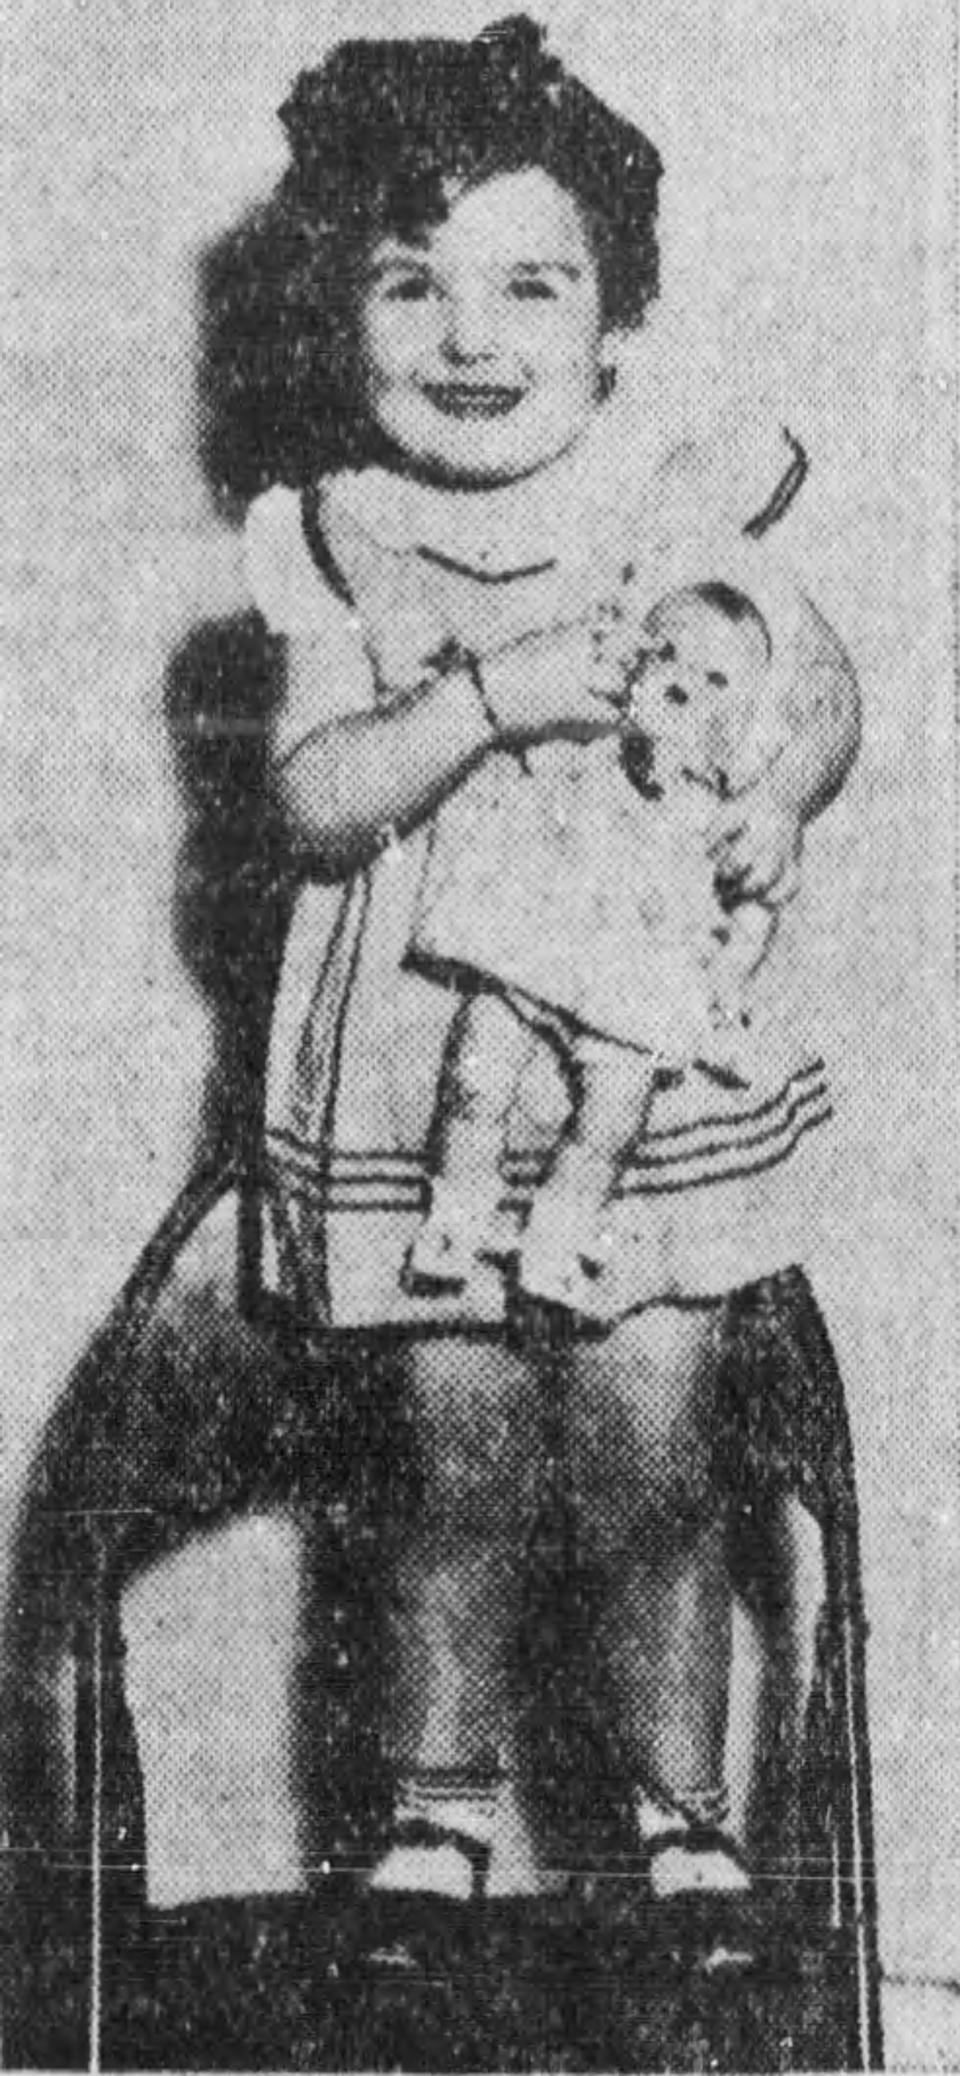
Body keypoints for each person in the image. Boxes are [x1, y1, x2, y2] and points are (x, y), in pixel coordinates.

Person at [240, 16, 860, 1910]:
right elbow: (318, 806)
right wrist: (493, 699)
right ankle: (436, 1817)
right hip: (425, 1089)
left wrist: (786, 794)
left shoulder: (675, 513)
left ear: (614, 322)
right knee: (444, 1462)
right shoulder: (340, 546)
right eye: (408, 281)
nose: (468, 335)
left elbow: (821, 688)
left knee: (664, 1447)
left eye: (532, 281)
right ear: (338, 319)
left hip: (645, 1071)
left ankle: (688, 1825)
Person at [403, 578, 799, 1314]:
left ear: (745, 713)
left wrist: (732, 971)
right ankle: (455, 1219)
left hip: (635, 981)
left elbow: (759, 902)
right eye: (670, 656)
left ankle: (561, 1233)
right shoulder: (586, 745)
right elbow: (509, 752)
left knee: (613, 1121)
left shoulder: (723, 806)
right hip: (536, 945)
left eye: (717, 679)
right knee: (475, 1075)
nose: (685, 682)